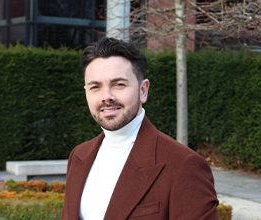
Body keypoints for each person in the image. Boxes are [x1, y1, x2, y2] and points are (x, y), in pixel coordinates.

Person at [61, 37, 219, 220]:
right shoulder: (78, 156)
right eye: (95, 87)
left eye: (118, 84)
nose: (106, 96)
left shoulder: (183, 165)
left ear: (143, 90)